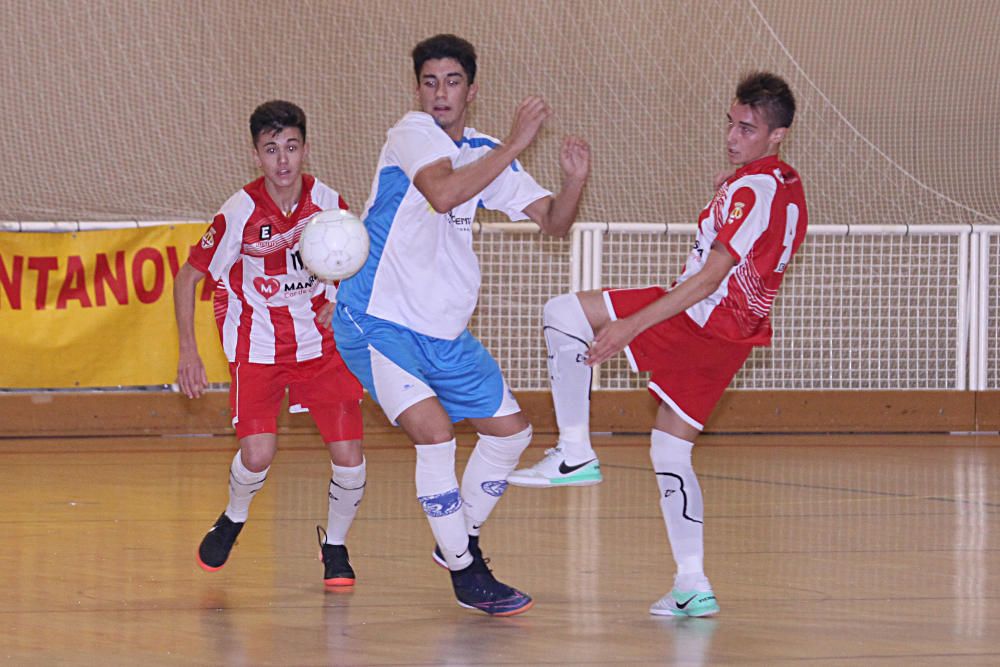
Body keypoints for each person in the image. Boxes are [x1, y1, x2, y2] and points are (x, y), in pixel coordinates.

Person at [509, 72, 807, 617]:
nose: (733, 136)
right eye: (731, 123)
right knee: (670, 450)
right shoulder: (785, 184)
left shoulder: (752, 188)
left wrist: (632, 325)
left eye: (748, 129)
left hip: (699, 317)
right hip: (731, 338)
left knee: (563, 312)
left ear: (777, 135)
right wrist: (734, 189)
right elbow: (760, 227)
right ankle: (692, 584)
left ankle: (574, 451)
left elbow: (708, 279)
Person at [331, 34, 590, 616]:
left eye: (452, 82)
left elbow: (552, 221)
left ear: (472, 91)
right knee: (436, 435)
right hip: (378, 318)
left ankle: (457, 538)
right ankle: (466, 572)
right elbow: (444, 193)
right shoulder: (410, 133)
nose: (440, 93)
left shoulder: (484, 150)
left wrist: (572, 182)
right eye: (430, 81)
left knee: (512, 433)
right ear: (417, 88)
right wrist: (521, 141)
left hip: (443, 329)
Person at [173, 100, 366, 588]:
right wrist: (188, 351)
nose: (283, 160)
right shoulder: (239, 211)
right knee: (257, 455)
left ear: (305, 149)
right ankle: (234, 518)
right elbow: (187, 277)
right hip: (256, 346)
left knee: (350, 455)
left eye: (292, 147)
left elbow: (359, 265)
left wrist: (341, 302)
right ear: (256, 154)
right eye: (271, 149)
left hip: (321, 347)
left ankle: (337, 547)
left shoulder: (329, 204)